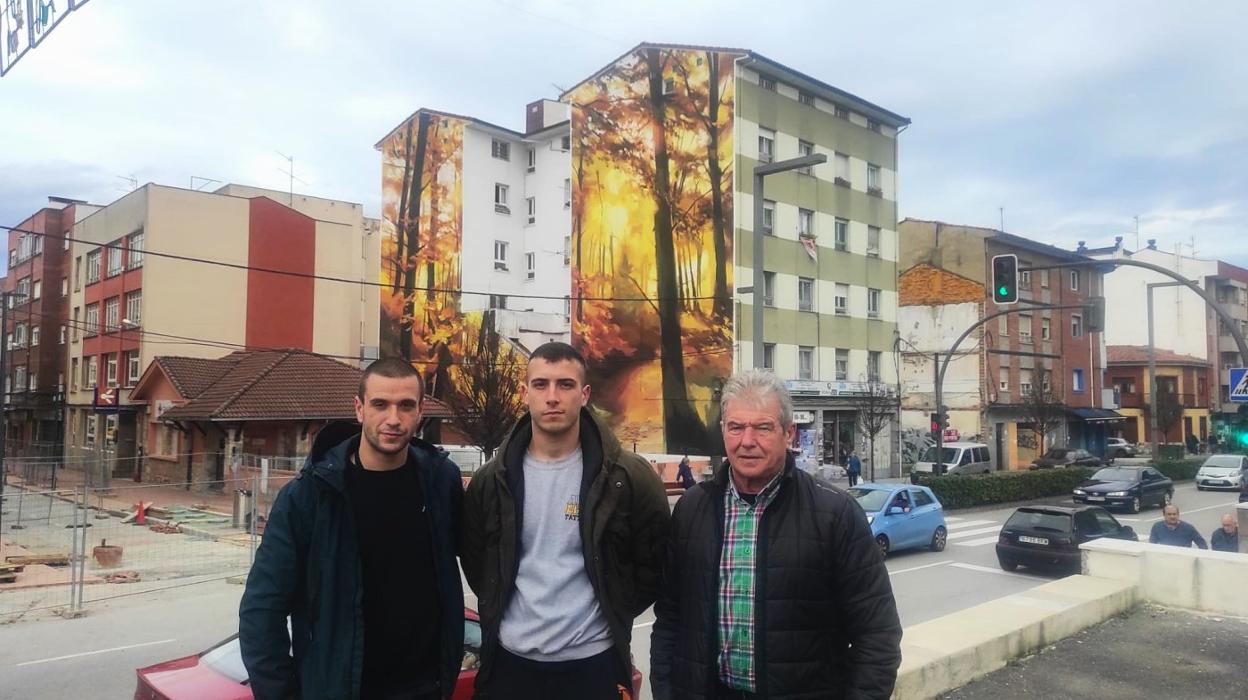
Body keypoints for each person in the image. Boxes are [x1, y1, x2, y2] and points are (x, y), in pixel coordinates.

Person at [651, 369, 902, 700]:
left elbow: (877, 636)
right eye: (736, 427)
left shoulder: (835, 514)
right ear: (723, 431)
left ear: (788, 433)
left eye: (763, 427)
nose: (747, 441)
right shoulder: (692, 509)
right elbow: (670, 619)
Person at [239, 358, 465, 700]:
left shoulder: (439, 480)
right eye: (380, 405)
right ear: (359, 409)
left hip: (425, 687)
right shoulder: (308, 497)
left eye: (405, 406)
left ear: (421, 412)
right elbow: (261, 612)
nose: (393, 419)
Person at [460, 342, 670, 700]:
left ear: (584, 394)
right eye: (541, 384)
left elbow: (653, 565)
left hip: (594, 665)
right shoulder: (491, 480)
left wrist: (613, 608)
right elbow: (477, 561)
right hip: (510, 666)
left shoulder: (628, 477)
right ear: (524, 393)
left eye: (565, 384)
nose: (552, 396)